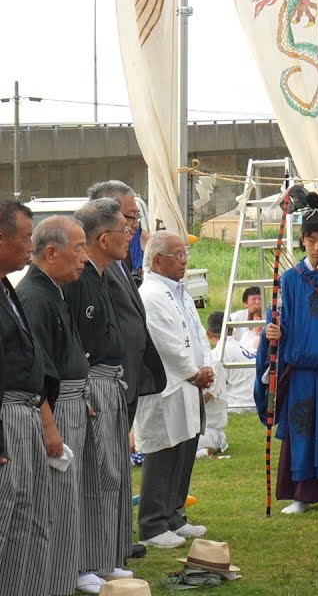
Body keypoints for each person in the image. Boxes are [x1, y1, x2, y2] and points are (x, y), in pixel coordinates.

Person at [255, 193, 318, 514]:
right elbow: (281, 319)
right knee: (301, 429)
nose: (317, 247)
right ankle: (300, 494)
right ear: (302, 241)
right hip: (299, 370)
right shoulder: (290, 279)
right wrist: (272, 333)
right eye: (311, 240)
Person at [16, 217, 96, 595]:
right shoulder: (33, 297)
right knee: (54, 503)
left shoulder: (55, 291)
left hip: (67, 403)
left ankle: (64, 579)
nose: (84, 257)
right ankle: (55, 582)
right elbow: (38, 370)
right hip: (49, 409)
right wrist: (49, 425)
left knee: (68, 500)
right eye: (78, 248)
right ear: (51, 252)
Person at [88, 181, 167, 561]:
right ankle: (107, 545)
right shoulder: (89, 271)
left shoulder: (118, 263)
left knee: (119, 465)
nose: (133, 226)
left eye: (133, 217)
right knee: (104, 468)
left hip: (127, 379)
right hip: (107, 381)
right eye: (128, 218)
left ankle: (119, 539)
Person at [65, 199, 136, 579]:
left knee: (112, 474)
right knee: (93, 473)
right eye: (124, 230)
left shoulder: (104, 275)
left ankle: (106, 555)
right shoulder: (79, 281)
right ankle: (86, 563)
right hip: (91, 383)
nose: (130, 236)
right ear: (104, 237)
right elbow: (74, 340)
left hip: (111, 381)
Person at [136, 231, 213, 549]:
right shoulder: (151, 293)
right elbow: (165, 343)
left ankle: (174, 515)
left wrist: (208, 367)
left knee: (184, 449)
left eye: (185, 255)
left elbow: (198, 332)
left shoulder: (179, 290)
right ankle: (152, 524)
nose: (184, 261)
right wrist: (194, 372)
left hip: (191, 383)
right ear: (157, 260)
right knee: (163, 450)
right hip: (169, 385)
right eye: (178, 255)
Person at [0, 200, 60, 596]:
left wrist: (44, 418)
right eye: (24, 238)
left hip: (25, 409)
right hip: (6, 415)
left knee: (29, 514)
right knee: (8, 519)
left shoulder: (6, 286)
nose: (30, 245)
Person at [198, 311, 255, 458]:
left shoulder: (218, 354)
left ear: (208, 334)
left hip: (241, 402)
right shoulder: (240, 346)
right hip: (254, 399)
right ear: (232, 329)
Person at [228, 286, 263, 352]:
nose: (258, 302)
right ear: (245, 303)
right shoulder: (236, 317)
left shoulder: (268, 316)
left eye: (260, 299)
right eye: (254, 299)